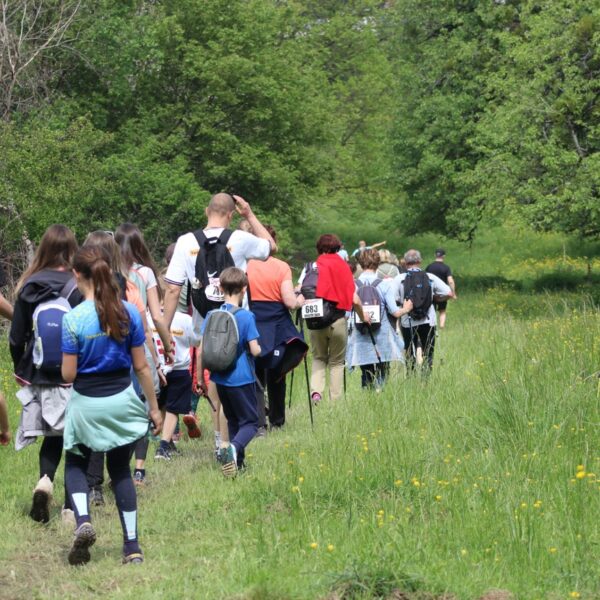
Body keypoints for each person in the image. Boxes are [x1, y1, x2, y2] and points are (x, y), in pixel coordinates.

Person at [61, 245, 162, 566]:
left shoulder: (73, 319)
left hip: (86, 403)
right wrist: (155, 408)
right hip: (122, 399)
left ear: (77, 274)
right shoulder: (128, 313)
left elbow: (69, 374)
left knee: (76, 463)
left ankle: (83, 521)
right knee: (119, 470)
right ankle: (132, 547)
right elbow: (142, 367)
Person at [163, 193, 275, 458]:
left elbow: (171, 289)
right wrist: (249, 214)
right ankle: (231, 444)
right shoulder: (240, 238)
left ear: (206, 211)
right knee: (236, 382)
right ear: (231, 214)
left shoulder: (185, 242)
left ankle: (219, 442)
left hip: (205, 325)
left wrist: (166, 332)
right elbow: (270, 247)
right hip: (237, 323)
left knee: (215, 382)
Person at [9, 224, 82, 524]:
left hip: (39, 373)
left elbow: (16, 336)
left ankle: (44, 481)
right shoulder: (78, 285)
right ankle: (68, 507)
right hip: (73, 372)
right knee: (74, 438)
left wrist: (19, 367)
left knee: (51, 435)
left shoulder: (29, 285)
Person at [198, 268, 261, 477]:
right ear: (244, 288)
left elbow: (202, 349)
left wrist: (200, 378)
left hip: (219, 378)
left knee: (233, 420)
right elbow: (255, 350)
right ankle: (231, 449)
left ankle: (238, 466)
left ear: (221, 288)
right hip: (241, 377)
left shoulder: (211, 315)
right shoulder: (246, 316)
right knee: (251, 422)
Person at [247, 226, 306, 430]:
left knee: (254, 373)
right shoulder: (281, 267)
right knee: (277, 374)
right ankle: (277, 421)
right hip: (277, 324)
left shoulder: (244, 265)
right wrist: (301, 300)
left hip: (251, 320)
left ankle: (257, 423)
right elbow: (289, 302)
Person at [298, 234, 369, 403]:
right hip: (337, 320)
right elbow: (354, 299)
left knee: (318, 357)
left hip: (315, 321)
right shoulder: (342, 267)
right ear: (338, 248)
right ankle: (335, 402)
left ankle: (316, 392)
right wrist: (363, 316)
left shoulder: (310, 267)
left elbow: (299, 290)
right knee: (337, 362)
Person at [346, 249, 412, 389]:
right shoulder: (384, 285)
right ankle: (380, 391)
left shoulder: (352, 285)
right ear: (377, 263)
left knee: (366, 371)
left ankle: (368, 395)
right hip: (382, 335)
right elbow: (394, 312)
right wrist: (406, 308)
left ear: (360, 264)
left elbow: (347, 313)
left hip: (361, 334)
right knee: (383, 368)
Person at [154, 297, 201, 460]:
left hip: (157, 370)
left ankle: (167, 441)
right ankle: (163, 447)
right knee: (173, 409)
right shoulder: (184, 319)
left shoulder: (148, 317)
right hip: (179, 369)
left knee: (163, 405)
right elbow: (196, 341)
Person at [394, 249, 451, 370]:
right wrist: (436, 299)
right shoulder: (429, 277)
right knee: (428, 351)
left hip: (407, 320)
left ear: (404, 262)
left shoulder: (399, 279)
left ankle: (410, 377)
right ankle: (425, 380)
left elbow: (395, 299)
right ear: (420, 261)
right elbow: (448, 292)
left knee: (409, 351)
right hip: (428, 319)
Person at [426, 248, 457, 329]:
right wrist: (453, 293)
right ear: (444, 256)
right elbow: (450, 281)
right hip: (442, 293)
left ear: (435, 255)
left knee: (430, 310)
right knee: (442, 310)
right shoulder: (446, 268)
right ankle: (442, 326)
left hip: (431, 293)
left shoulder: (429, 267)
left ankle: (432, 326)